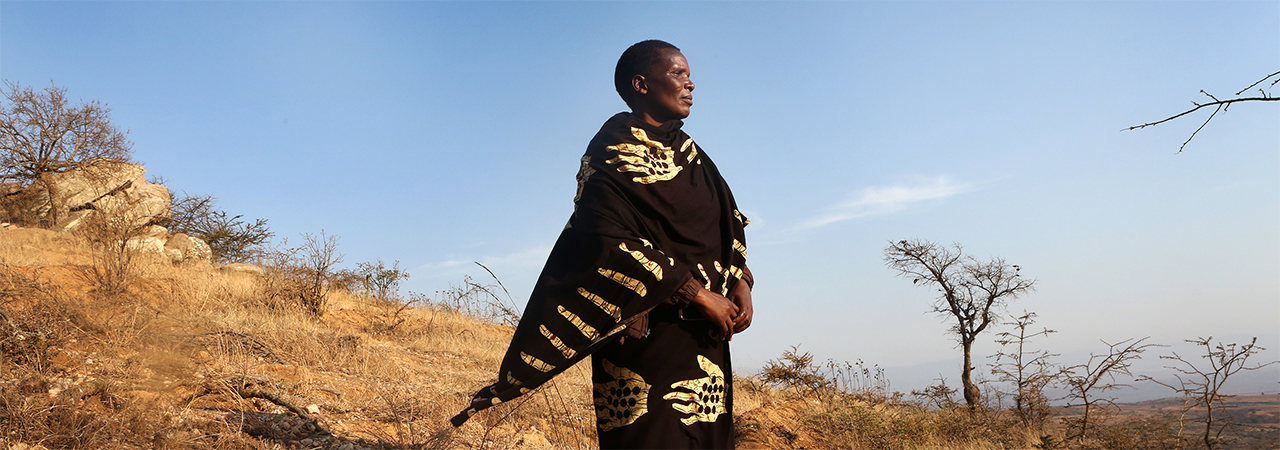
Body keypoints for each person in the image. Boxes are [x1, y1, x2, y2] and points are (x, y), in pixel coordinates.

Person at [451, 40, 753, 449]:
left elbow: (728, 221)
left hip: (705, 338)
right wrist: (696, 295)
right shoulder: (612, 151)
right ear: (641, 83)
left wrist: (742, 284)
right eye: (679, 74)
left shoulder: (692, 156)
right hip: (644, 331)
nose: (691, 83)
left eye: (689, 74)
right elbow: (606, 239)